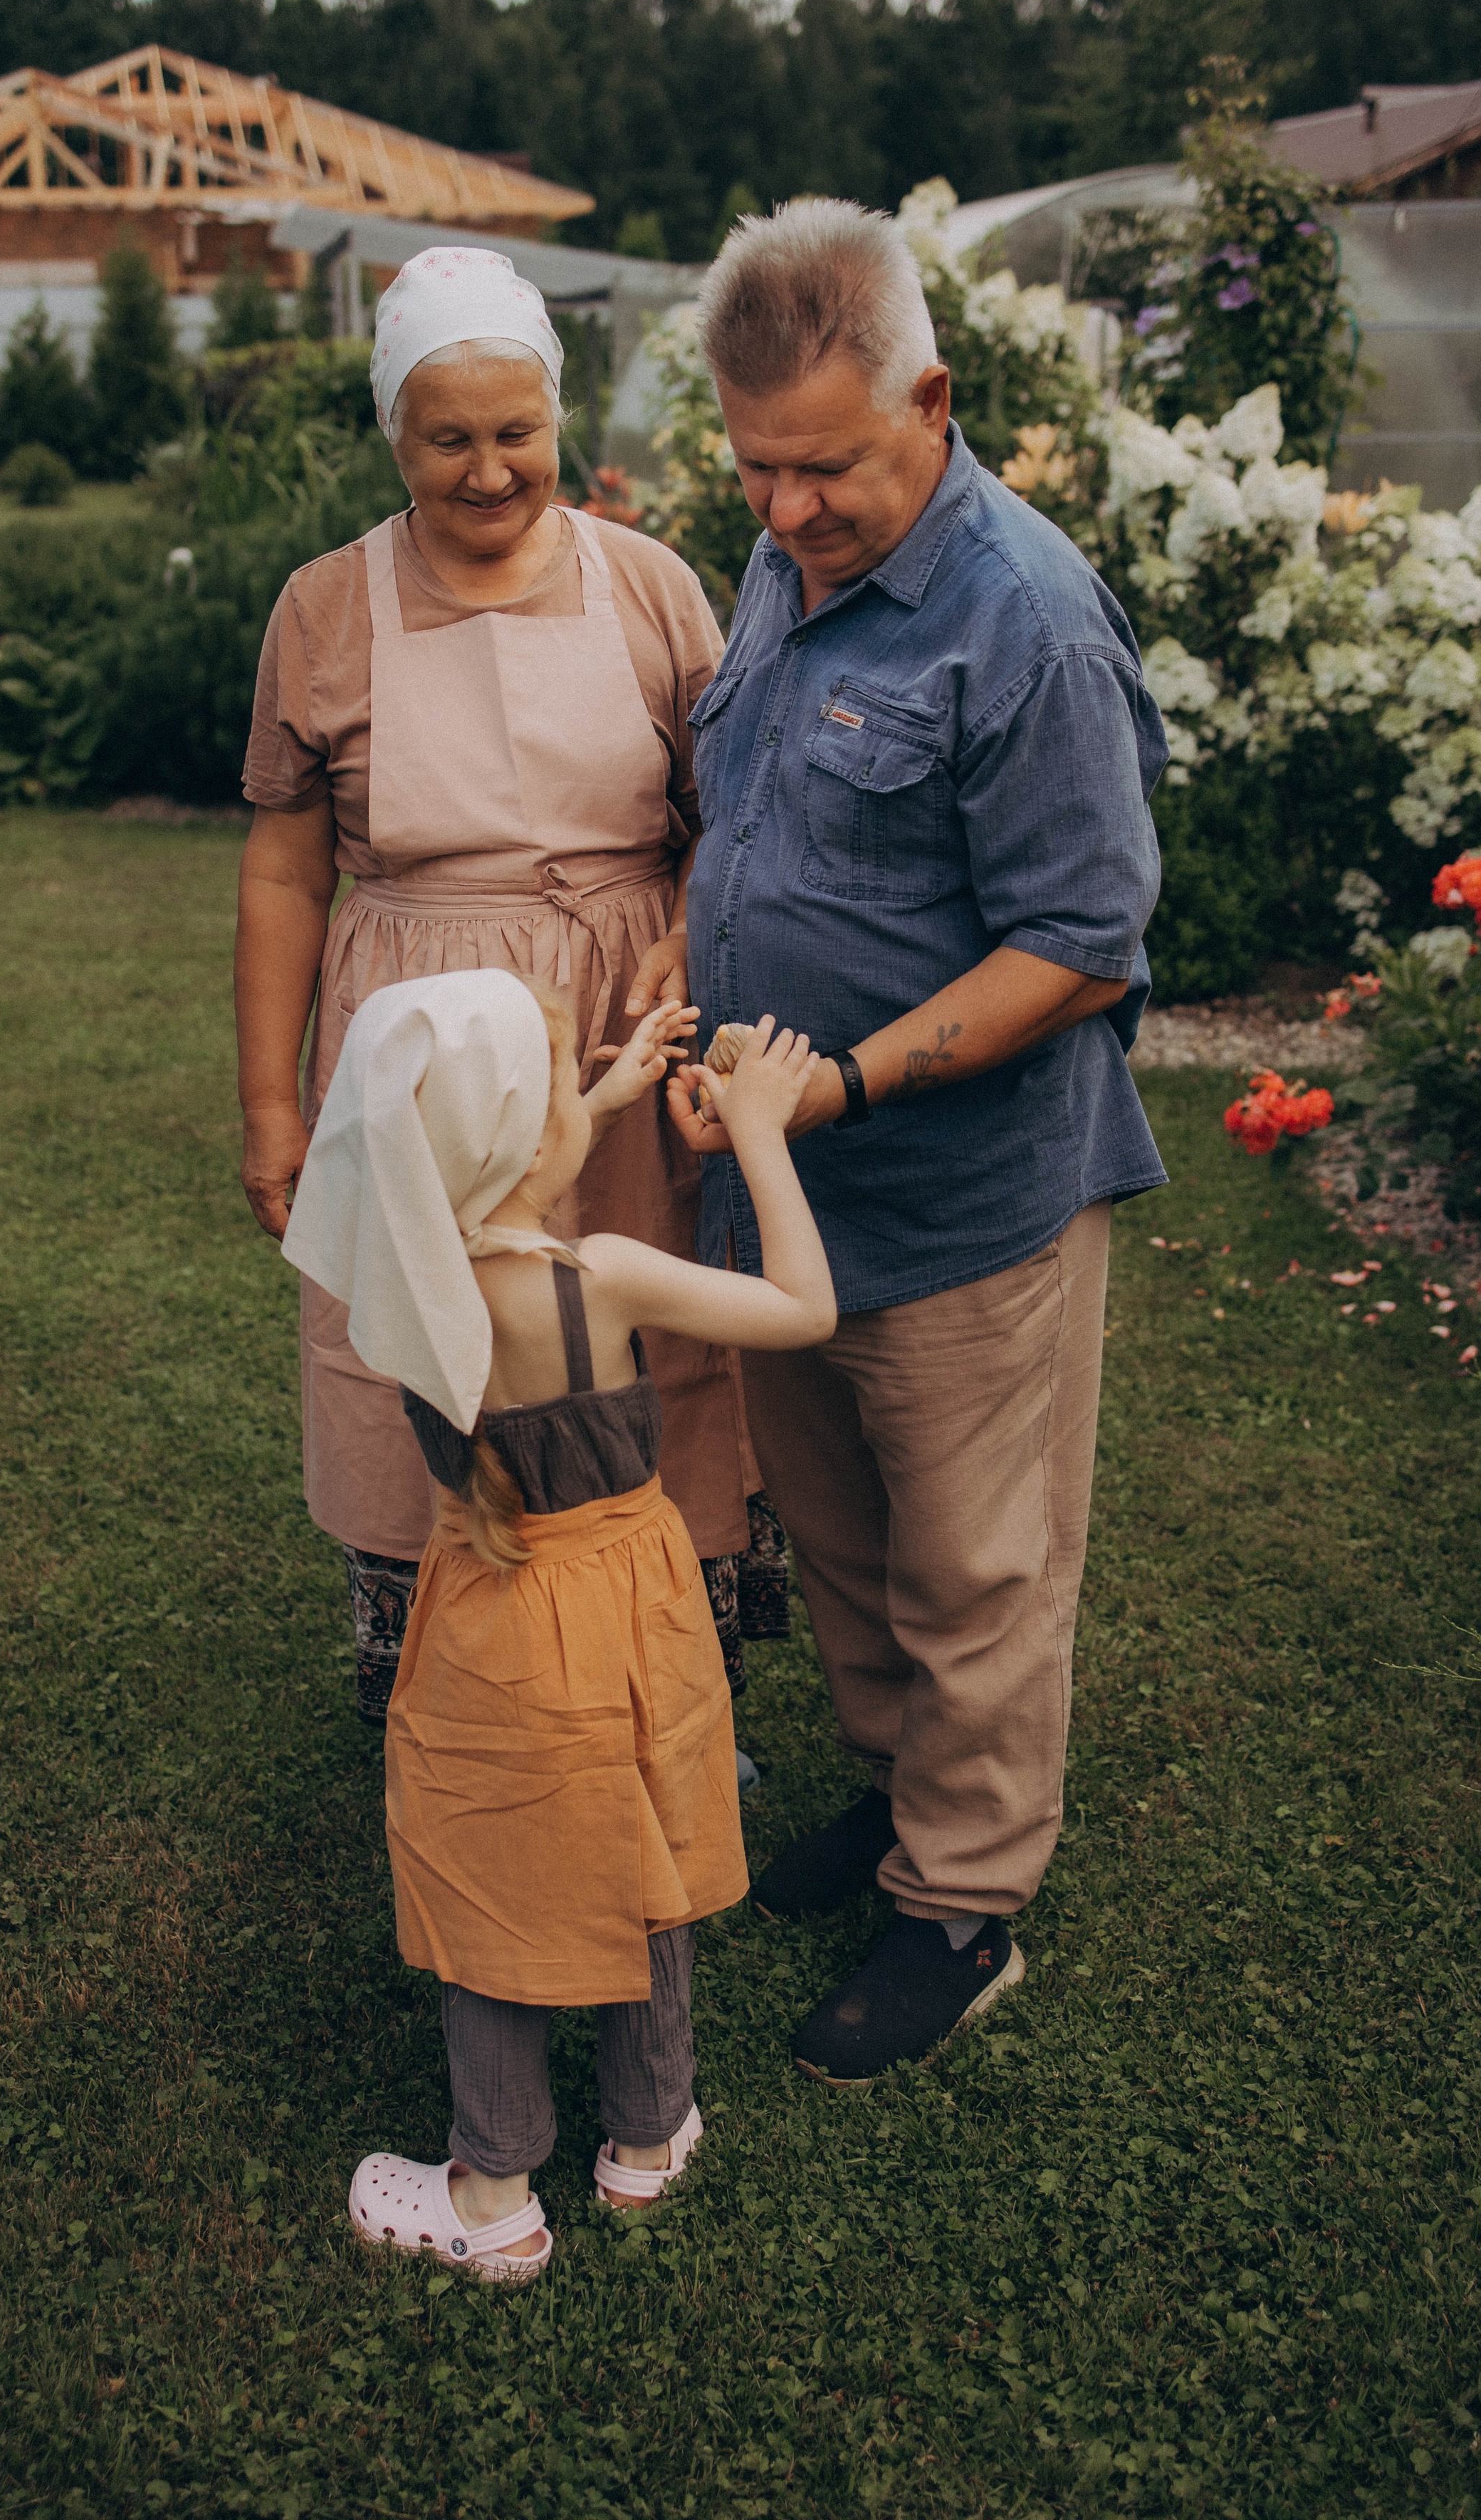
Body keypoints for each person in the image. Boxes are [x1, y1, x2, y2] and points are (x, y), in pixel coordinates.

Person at [666, 199, 1169, 2085]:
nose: (787, 514)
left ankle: (963, 1904)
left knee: (978, 1569)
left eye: (827, 471)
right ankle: (896, 1807)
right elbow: (771, 811)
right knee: (845, 1530)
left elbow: (1080, 941)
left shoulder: (1026, 623)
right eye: (757, 471)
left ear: (935, 400)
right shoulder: (785, 553)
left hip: (959, 1197)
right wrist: (687, 956)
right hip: (785, 1191)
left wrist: (849, 1080)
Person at [235, 244, 787, 1726]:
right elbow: (287, 873)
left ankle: (664, 1657)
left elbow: (729, 816)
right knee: (422, 1326)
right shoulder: (324, 608)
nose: (488, 471)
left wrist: (685, 932)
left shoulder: (650, 587)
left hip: (619, 1019)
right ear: (392, 438)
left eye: (516, 433)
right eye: (447, 439)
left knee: (642, 1326)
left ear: (558, 419)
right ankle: (447, 1669)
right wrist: (270, 1110)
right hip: (415, 1038)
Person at [283, 970, 835, 2279]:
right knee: (650, 1819)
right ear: (532, 1145)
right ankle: (648, 2139)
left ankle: (497, 2188)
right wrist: (757, 1130)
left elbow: (458, 1189)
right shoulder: (613, 1277)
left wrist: (595, 1094)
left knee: (499, 1868)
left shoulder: (411, 1281)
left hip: (498, 1613)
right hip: (633, 1600)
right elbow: (807, 1310)